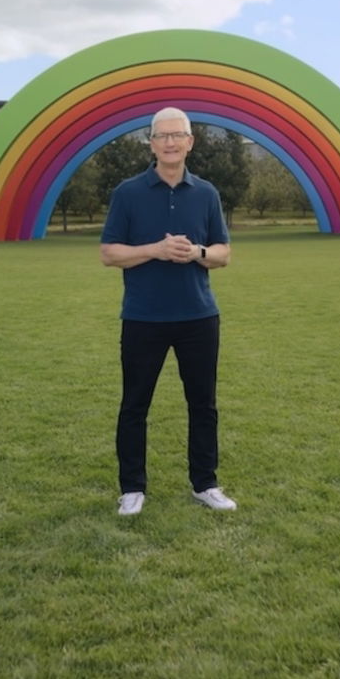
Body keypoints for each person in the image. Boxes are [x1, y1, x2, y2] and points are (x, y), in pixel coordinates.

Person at [100, 106, 236, 516]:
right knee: (135, 404)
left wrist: (196, 252)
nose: (171, 143)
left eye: (178, 135)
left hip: (199, 317)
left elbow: (224, 254)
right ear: (152, 143)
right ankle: (132, 488)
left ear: (190, 142)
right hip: (143, 317)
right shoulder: (128, 192)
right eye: (163, 136)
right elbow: (109, 253)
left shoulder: (207, 193)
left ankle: (205, 483)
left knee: (203, 404)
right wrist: (155, 250)